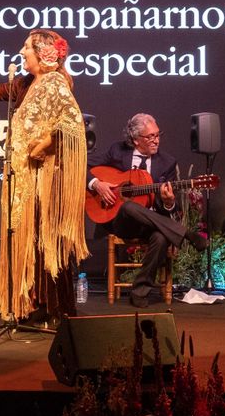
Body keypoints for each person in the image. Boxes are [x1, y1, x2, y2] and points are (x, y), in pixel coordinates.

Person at [0, 29, 89, 323]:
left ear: (42, 53)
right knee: (34, 240)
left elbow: (71, 122)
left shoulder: (54, 82)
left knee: (47, 240)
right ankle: (40, 304)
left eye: (26, 47)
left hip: (45, 179)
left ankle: (60, 309)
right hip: (26, 176)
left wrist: (47, 144)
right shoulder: (35, 84)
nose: (21, 52)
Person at [88, 113, 206, 308]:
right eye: (150, 137)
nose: (156, 141)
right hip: (122, 223)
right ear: (135, 139)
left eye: (158, 135)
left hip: (150, 223)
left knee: (161, 238)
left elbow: (166, 208)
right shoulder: (117, 152)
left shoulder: (167, 162)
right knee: (127, 206)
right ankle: (186, 234)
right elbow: (82, 163)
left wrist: (168, 202)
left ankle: (139, 291)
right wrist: (96, 184)